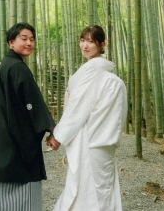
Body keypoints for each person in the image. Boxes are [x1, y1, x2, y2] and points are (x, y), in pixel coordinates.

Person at [47, 25, 127, 211]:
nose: (85, 45)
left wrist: (58, 136)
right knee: (101, 186)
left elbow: (76, 109)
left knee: (87, 187)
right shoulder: (103, 74)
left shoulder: (94, 72)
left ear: (102, 44)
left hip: (89, 139)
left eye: (90, 41)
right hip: (103, 140)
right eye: (82, 40)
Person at [0, 22, 56, 210]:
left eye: (31, 39)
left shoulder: (2, 65)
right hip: (15, 147)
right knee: (22, 200)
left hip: (0, 143)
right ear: (11, 42)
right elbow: (33, 105)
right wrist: (50, 130)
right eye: (24, 38)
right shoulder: (17, 68)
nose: (29, 43)